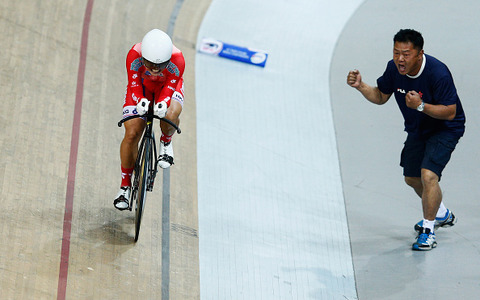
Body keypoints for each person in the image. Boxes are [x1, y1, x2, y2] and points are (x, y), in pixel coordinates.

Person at [347, 29, 465, 251]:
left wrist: (420, 106)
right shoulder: (394, 69)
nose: (400, 59)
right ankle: (441, 214)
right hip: (418, 128)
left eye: (406, 54)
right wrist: (361, 86)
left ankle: (428, 231)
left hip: (445, 128)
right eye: (396, 52)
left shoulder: (438, 73)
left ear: (420, 54)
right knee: (411, 178)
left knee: (428, 175)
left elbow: (450, 111)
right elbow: (381, 96)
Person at [114, 29, 185, 210]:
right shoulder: (134, 55)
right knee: (131, 133)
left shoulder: (178, 60)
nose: (154, 68)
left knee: (169, 115)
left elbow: (170, 88)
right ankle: (124, 187)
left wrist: (161, 104)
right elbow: (134, 84)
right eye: (150, 63)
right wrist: (141, 101)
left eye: (160, 65)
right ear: (143, 56)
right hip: (142, 89)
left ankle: (166, 143)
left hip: (165, 89)